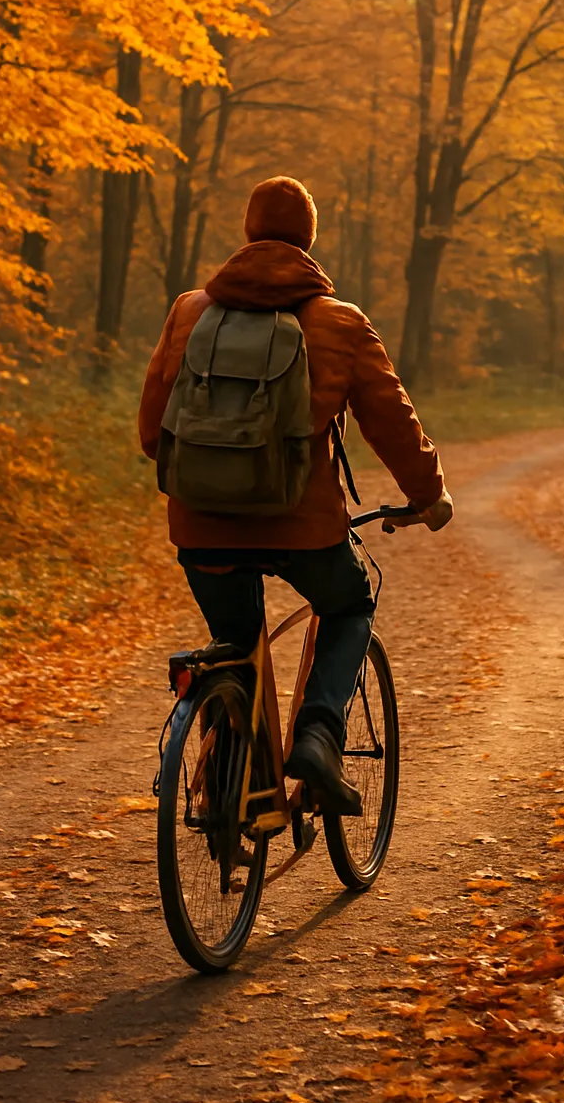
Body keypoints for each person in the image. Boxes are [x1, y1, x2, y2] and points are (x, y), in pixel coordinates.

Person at [138, 175, 453, 815]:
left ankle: (240, 790)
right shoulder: (340, 323)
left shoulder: (189, 310)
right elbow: (392, 421)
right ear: (310, 237)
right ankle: (317, 737)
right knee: (349, 605)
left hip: (203, 530)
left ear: (249, 231)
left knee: (236, 644)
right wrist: (429, 495)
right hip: (304, 530)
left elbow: (153, 433)